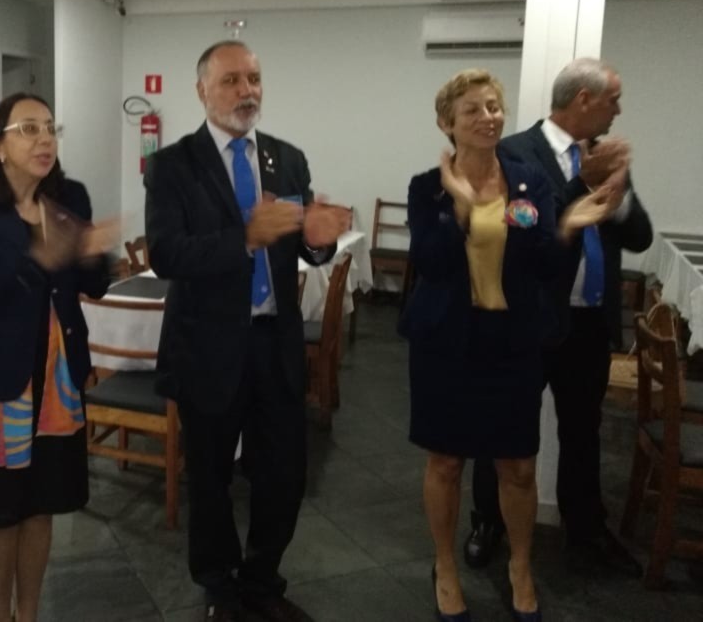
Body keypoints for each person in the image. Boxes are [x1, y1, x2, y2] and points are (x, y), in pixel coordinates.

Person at [144, 41, 350, 622]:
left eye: (254, 79)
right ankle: (218, 583)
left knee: (283, 473)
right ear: (202, 90)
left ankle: (262, 579)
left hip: (274, 344)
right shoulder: (173, 165)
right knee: (210, 477)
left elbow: (307, 249)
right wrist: (244, 238)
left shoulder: (287, 159)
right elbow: (166, 253)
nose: (247, 91)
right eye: (232, 80)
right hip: (207, 348)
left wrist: (319, 239)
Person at [400, 69, 612, 622]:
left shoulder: (528, 181)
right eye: (473, 109)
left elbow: (544, 263)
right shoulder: (427, 187)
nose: (488, 117)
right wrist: (462, 206)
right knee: (446, 463)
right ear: (447, 123)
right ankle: (445, 566)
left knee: (517, 465)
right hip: (446, 345)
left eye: (494, 106)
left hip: (512, 343)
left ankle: (520, 565)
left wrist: (569, 226)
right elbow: (432, 264)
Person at [464, 58, 652, 579]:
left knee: (584, 430)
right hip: (527, 319)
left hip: (588, 322)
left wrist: (618, 194)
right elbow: (515, 228)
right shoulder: (513, 153)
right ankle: (488, 522)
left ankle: (585, 529)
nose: (619, 110)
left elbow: (640, 237)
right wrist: (579, 187)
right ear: (583, 100)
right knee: (503, 426)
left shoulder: (604, 155)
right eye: (613, 99)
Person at [0, 92, 114, 622]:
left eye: (50, 128)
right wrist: (39, 256)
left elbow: (94, 284)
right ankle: (1, 617)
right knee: (1, 514)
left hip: (58, 374)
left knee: (42, 506)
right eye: (29, 129)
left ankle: (29, 614)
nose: (45, 139)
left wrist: (94, 254)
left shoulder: (68, 196)